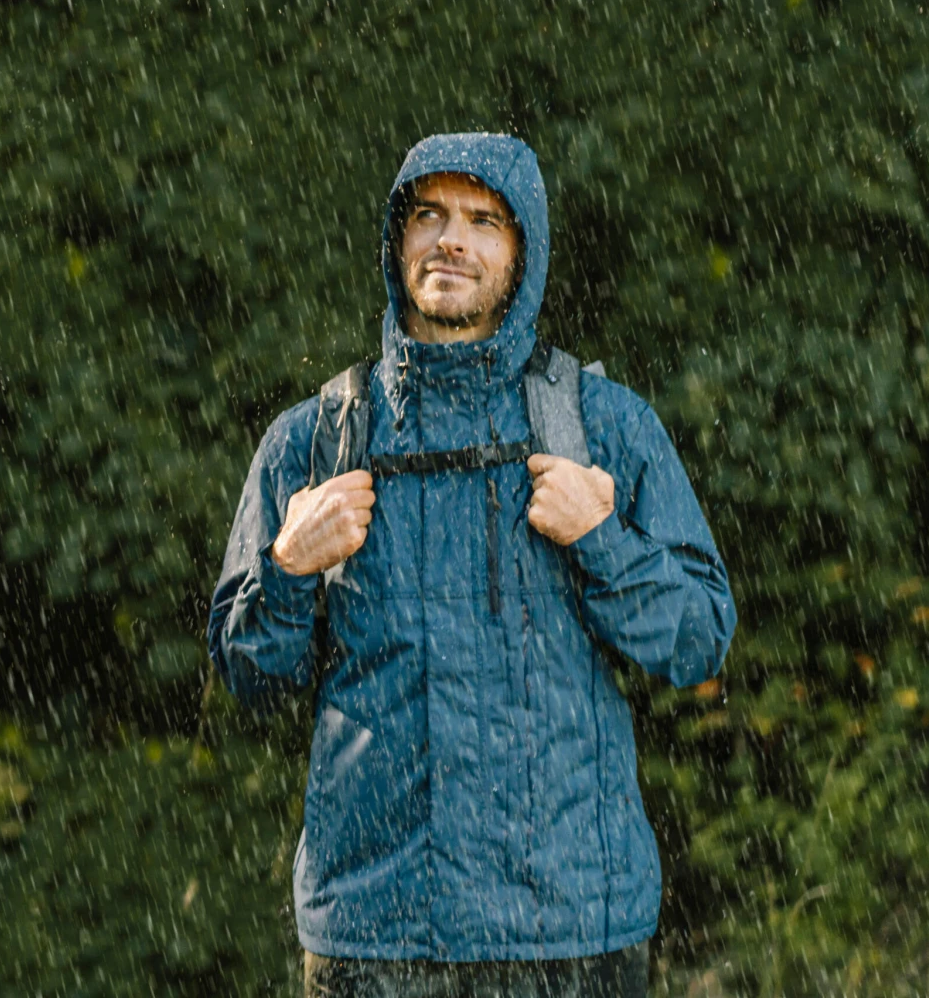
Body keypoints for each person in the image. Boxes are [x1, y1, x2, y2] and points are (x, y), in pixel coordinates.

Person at [206, 133, 737, 997]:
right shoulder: (314, 442)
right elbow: (248, 677)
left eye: (483, 221)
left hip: (570, 932)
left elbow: (698, 640)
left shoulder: (606, 428)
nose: (451, 240)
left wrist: (602, 538)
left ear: (523, 253)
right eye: (430, 216)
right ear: (398, 242)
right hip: (374, 939)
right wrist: (289, 565)